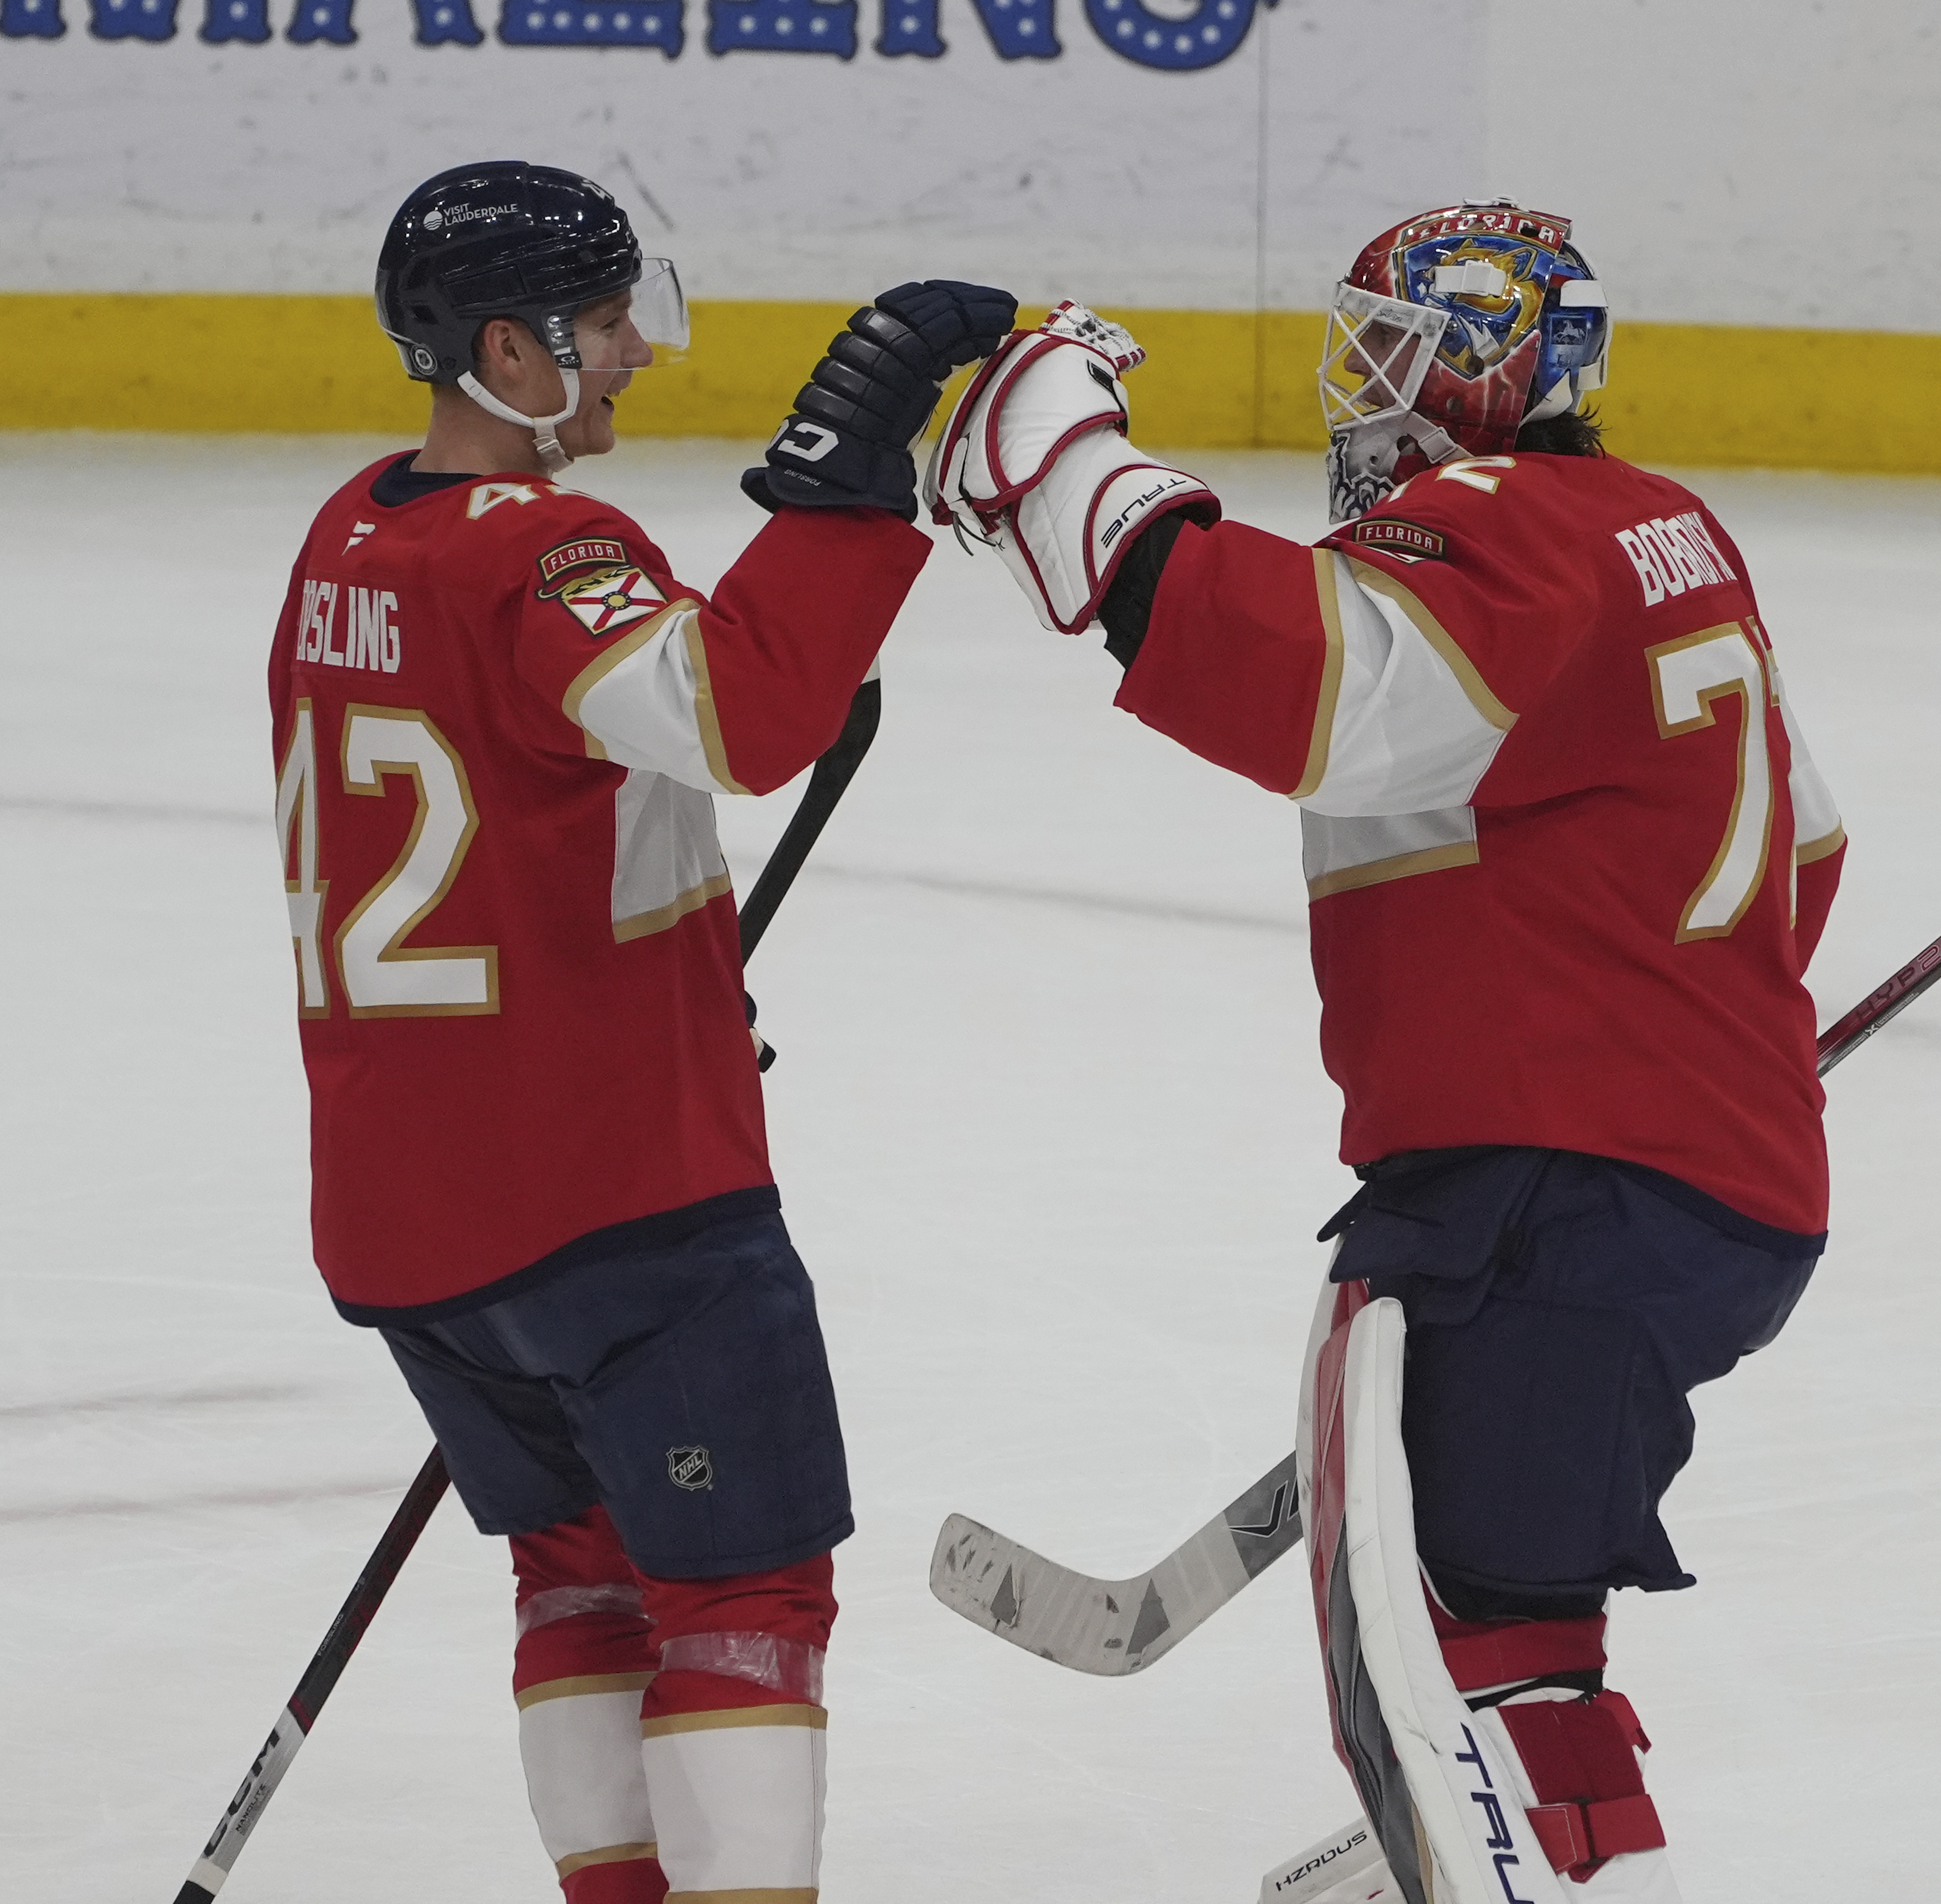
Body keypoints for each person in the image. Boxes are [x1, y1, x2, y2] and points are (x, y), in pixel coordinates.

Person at [929, 202, 1844, 1903]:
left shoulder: (1498, 525)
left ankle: (1525, 1847)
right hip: (1685, 1180)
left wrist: (1072, 468)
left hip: (1548, 1192)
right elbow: (1810, 853)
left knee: (1467, 1650)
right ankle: (1505, 1841)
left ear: (1503, 367)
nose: (1360, 395)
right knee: (1486, 1615)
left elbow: (1309, 683)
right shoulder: (1665, 525)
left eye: (1396, 355)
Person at [268, 159, 1010, 1902]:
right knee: (742, 1593)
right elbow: (743, 714)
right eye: (605, 324)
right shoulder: (550, 548)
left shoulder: (343, 540)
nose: (636, 353)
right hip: (615, 1203)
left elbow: (509, 835)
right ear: (507, 352)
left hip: (407, 1221)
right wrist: (840, 486)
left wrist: (657, 988)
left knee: (581, 1579)